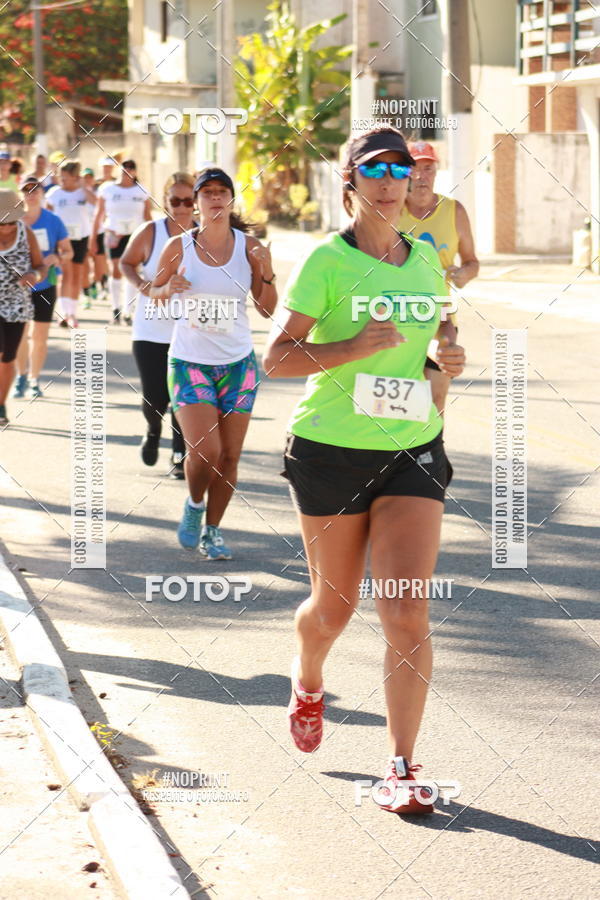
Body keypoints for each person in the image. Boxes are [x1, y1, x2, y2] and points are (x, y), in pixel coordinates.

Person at [263, 127, 466, 814]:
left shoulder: (426, 257)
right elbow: (276, 358)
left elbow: (437, 336)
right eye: (374, 170)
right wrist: (349, 347)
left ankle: (402, 766)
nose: (389, 181)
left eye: (399, 169)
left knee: (405, 608)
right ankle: (308, 678)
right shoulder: (327, 260)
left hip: (413, 446)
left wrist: (445, 357)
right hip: (330, 450)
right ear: (349, 182)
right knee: (334, 609)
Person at [149, 166, 277, 558]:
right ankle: (194, 503)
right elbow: (155, 293)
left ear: (231, 199)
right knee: (206, 451)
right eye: (208, 192)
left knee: (230, 456)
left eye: (223, 191)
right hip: (190, 362)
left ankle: (214, 531)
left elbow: (267, 309)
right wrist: (168, 288)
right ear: (197, 202)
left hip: (238, 364)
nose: (216, 198)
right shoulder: (179, 246)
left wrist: (266, 272)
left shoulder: (250, 247)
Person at [120, 172, 197, 479]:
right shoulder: (151, 232)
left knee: (183, 397)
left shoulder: (205, 235)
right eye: (175, 200)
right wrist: (144, 286)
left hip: (190, 332)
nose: (182, 207)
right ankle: (153, 430)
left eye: (188, 201)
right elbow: (126, 262)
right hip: (150, 331)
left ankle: (179, 453)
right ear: (165, 201)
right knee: (155, 398)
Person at [398, 141, 478, 415]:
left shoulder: (454, 211)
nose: (421, 176)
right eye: (414, 169)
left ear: (436, 172)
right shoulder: (392, 211)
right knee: (400, 404)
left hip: (440, 316)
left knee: (435, 401)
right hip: (396, 316)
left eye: (428, 169)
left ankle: (432, 443)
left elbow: (472, 261)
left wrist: (464, 274)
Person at [13, 177, 73, 399]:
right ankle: (21, 376)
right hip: (18, 285)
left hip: (45, 284)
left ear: (42, 193)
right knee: (20, 334)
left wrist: (57, 257)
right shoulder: (12, 220)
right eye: (26, 190)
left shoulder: (53, 220)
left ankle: (34, 379)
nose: (31, 194)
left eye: (35, 190)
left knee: (39, 336)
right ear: (21, 194)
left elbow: (68, 251)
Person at [0, 189, 47, 425]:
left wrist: (34, 275)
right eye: (3, 223)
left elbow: (40, 266)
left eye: (11, 222)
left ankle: (1, 405)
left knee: (8, 358)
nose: (8, 227)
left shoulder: (25, 232)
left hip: (17, 304)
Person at [91, 159, 152, 325]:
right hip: (114, 234)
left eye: (131, 168)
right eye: (125, 168)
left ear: (135, 172)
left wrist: (152, 238)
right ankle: (115, 308)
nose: (128, 171)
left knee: (132, 271)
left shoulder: (141, 191)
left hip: (135, 235)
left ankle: (128, 310)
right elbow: (99, 214)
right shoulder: (108, 189)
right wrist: (93, 237)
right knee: (116, 269)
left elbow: (147, 216)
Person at [46, 160, 96, 328]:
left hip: (80, 237)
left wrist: (83, 186)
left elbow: (95, 202)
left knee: (76, 275)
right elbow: (48, 215)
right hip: (62, 239)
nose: (62, 180)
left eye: (65, 177)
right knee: (66, 275)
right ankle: (64, 313)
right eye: (61, 177)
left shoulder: (83, 193)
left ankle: (72, 313)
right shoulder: (55, 193)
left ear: (75, 177)